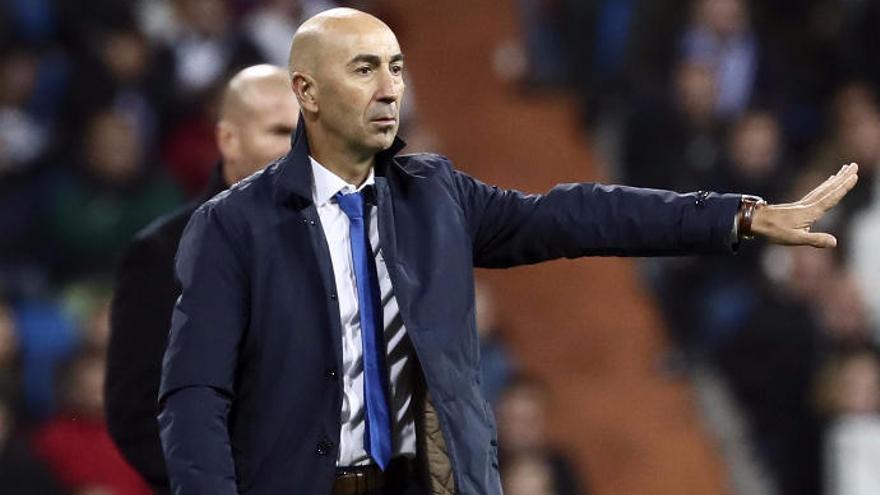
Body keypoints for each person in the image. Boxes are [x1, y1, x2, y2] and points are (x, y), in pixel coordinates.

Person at [157, 8, 859, 495]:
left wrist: (736, 214)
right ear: (305, 92)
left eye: (396, 68)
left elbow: (573, 216)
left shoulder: (433, 194)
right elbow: (194, 396)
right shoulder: (232, 227)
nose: (389, 88)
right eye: (364, 69)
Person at [105, 64, 300, 493]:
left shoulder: (343, 240)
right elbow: (136, 416)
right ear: (229, 139)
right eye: (280, 131)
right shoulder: (161, 254)